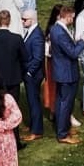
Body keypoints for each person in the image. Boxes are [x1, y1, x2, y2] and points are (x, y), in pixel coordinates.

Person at [46, 5, 83, 142]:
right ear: (67, 17)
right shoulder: (60, 32)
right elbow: (72, 52)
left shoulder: (55, 29)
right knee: (65, 102)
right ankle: (62, 133)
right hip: (66, 72)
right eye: (72, 18)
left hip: (62, 71)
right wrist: (82, 41)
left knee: (62, 101)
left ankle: (64, 128)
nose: (72, 20)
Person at [19, 10, 46, 138]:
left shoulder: (36, 35)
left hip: (33, 74)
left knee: (34, 101)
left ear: (32, 20)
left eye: (25, 19)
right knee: (31, 101)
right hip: (31, 73)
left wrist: (29, 72)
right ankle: (33, 125)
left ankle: (36, 131)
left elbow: (38, 57)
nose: (22, 21)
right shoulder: (31, 32)